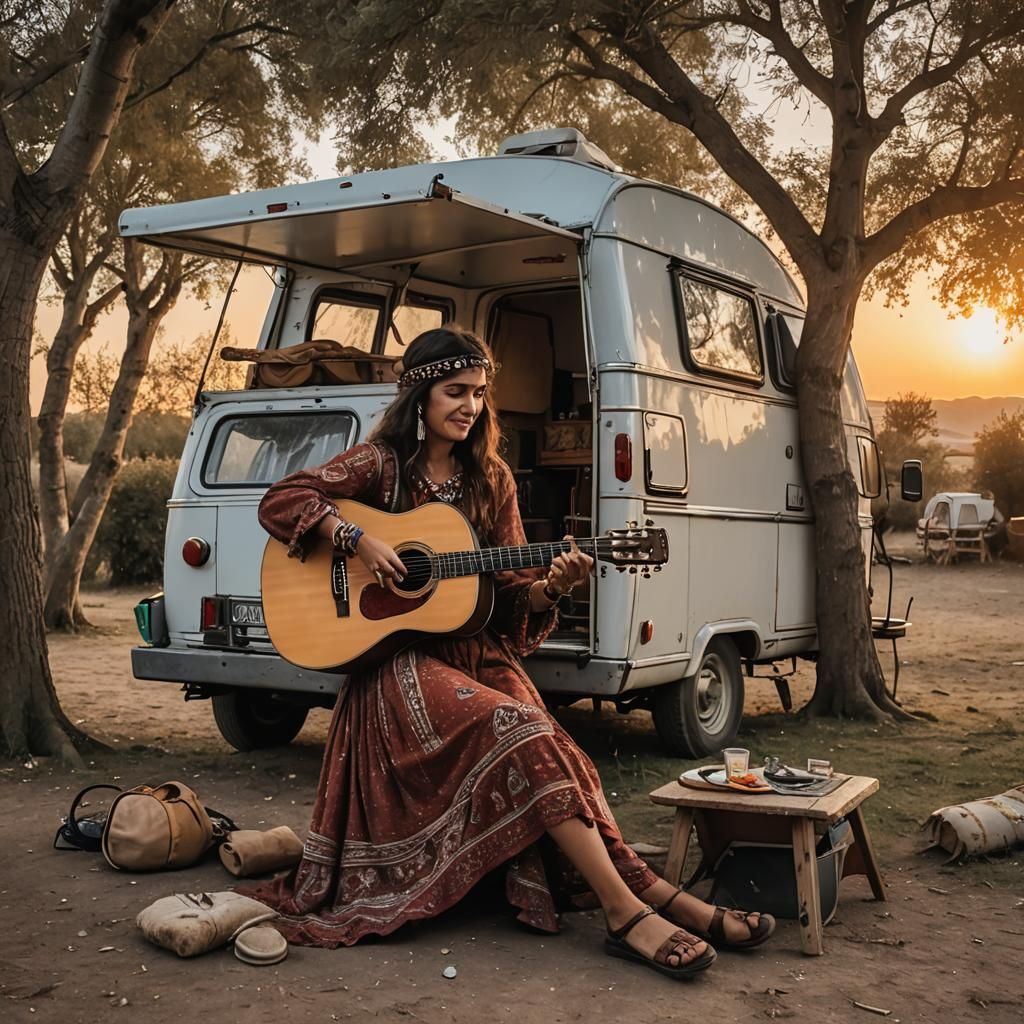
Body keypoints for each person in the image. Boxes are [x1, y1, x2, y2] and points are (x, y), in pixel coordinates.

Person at [243, 326, 773, 978]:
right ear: (419, 395)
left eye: (478, 393)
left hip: (473, 652)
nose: (470, 406)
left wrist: (554, 588)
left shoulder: (491, 478)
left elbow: (513, 598)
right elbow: (282, 500)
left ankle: (663, 898)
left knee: (554, 747)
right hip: (394, 667)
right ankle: (625, 913)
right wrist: (355, 539)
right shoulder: (379, 465)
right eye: (455, 391)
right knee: (517, 727)